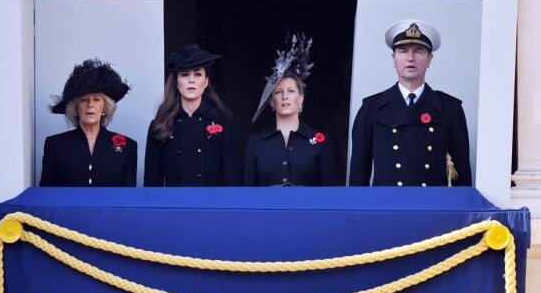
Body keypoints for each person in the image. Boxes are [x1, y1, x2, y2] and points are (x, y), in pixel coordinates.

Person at [349, 19, 472, 187]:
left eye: (418, 51)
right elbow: (358, 173)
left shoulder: (450, 109)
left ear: (430, 59)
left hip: (433, 207)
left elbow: (462, 173)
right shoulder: (371, 108)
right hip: (387, 207)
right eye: (403, 51)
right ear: (394, 59)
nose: (410, 58)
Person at [244, 34, 337, 186]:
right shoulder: (255, 143)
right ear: (272, 102)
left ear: (301, 98)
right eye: (278, 92)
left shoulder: (321, 142)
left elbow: (328, 194)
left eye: (291, 91)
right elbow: (248, 192)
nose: (285, 96)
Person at [144, 45, 241, 186]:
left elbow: (233, 178)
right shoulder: (160, 125)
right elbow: (152, 183)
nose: (191, 80)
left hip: (211, 205)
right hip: (173, 205)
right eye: (184, 74)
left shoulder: (223, 122)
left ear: (206, 81)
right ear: (177, 82)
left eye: (197, 74)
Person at [40, 59, 137, 186]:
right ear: (75, 108)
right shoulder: (55, 145)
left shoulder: (127, 146)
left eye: (96, 100)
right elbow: (46, 195)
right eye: (84, 100)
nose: (90, 105)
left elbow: (128, 198)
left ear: (105, 107)